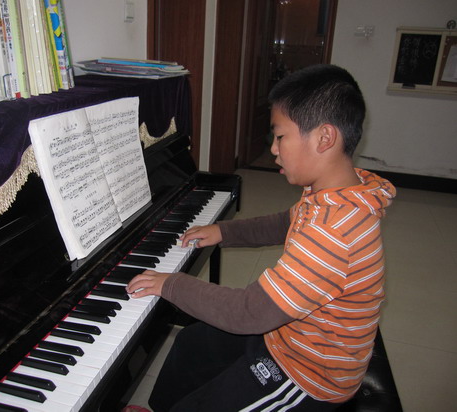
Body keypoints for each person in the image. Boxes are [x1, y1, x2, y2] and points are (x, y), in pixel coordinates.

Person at [124, 64, 396, 411]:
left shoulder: (334, 230)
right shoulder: (334, 191)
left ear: (324, 138)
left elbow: (249, 313)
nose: (274, 149)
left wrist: (170, 284)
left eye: (280, 137)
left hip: (307, 374)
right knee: (192, 343)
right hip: (287, 333)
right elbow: (285, 222)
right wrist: (224, 231)